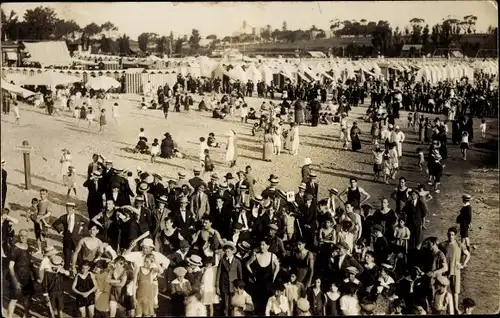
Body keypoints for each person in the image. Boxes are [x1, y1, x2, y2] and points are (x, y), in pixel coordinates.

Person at [6, 229, 36, 318]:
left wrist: (35, 276)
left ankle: (25, 315)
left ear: (28, 236)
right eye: (21, 236)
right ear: (18, 236)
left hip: (27, 277)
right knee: (14, 299)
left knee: (27, 298)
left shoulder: (29, 248)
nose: (23, 237)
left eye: (25, 235)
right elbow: (11, 267)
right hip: (17, 277)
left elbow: (30, 264)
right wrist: (15, 281)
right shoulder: (14, 248)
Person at [216, 240, 243, 316]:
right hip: (224, 285)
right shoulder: (222, 261)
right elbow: (218, 274)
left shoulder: (237, 261)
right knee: (225, 304)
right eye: (226, 251)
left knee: (233, 304)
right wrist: (217, 286)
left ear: (232, 252)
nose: (227, 253)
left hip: (234, 286)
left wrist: (240, 287)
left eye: (228, 251)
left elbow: (240, 275)